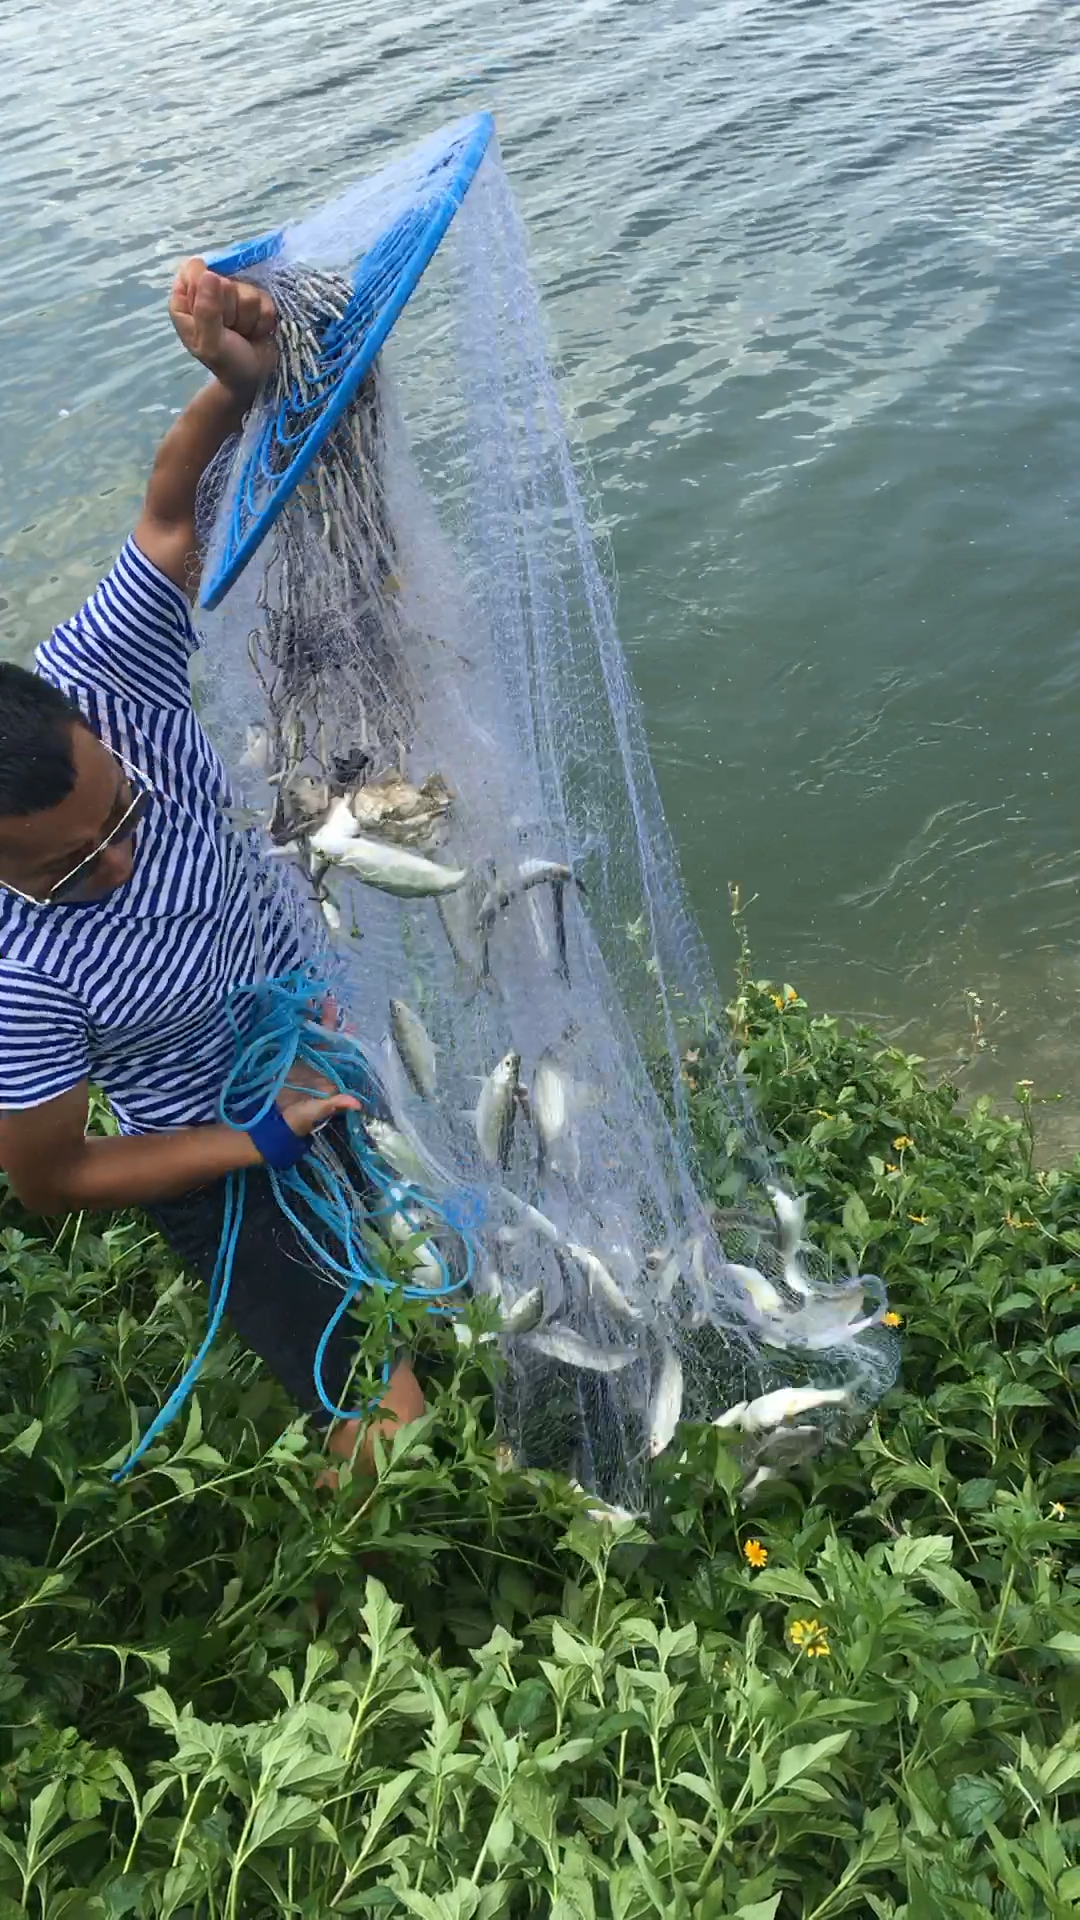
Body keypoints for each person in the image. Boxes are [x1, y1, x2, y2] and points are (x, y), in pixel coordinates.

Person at [0, 259, 424, 1466]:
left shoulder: (103, 673)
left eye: (119, 815)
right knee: (389, 1433)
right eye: (71, 870)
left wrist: (235, 389)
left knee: (422, 1256)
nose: (121, 863)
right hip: (204, 1154)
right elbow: (56, 1175)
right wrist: (258, 1144)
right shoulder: (15, 977)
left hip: (307, 1037)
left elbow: (171, 513)